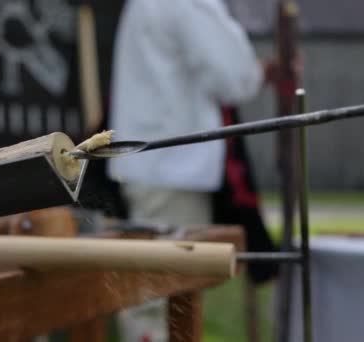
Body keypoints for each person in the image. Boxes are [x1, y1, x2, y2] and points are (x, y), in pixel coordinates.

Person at [107, 1, 270, 341]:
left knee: (159, 301)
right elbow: (232, 76)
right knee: (161, 305)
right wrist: (259, 72)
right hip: (169, 170)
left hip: (160, 167)